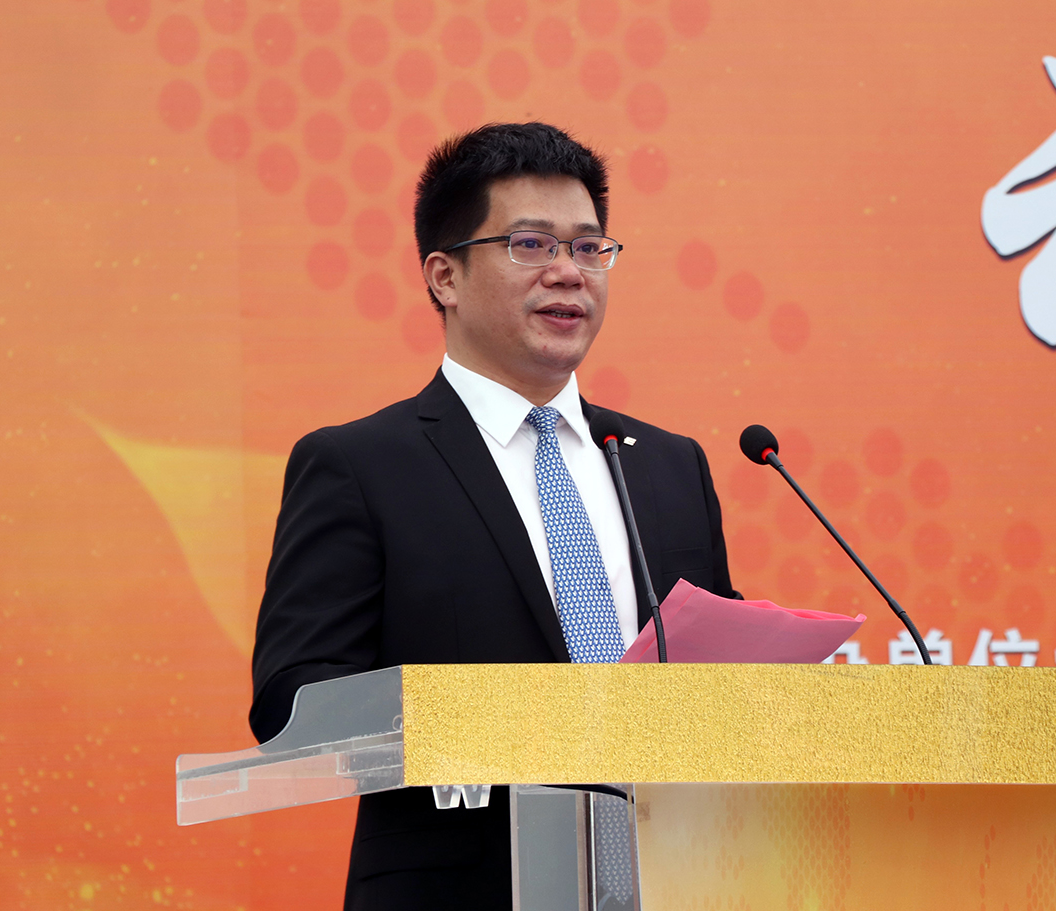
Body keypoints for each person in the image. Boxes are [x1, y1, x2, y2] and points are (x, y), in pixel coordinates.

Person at [249, 122, 739, 909]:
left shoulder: (667, 465)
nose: (568, 272)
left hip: (680, 881)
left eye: (589, 248)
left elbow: (719, 679)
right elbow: (291, 697)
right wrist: (493, 717)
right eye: (531, 244)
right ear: (444, 275)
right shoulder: (360, 465)